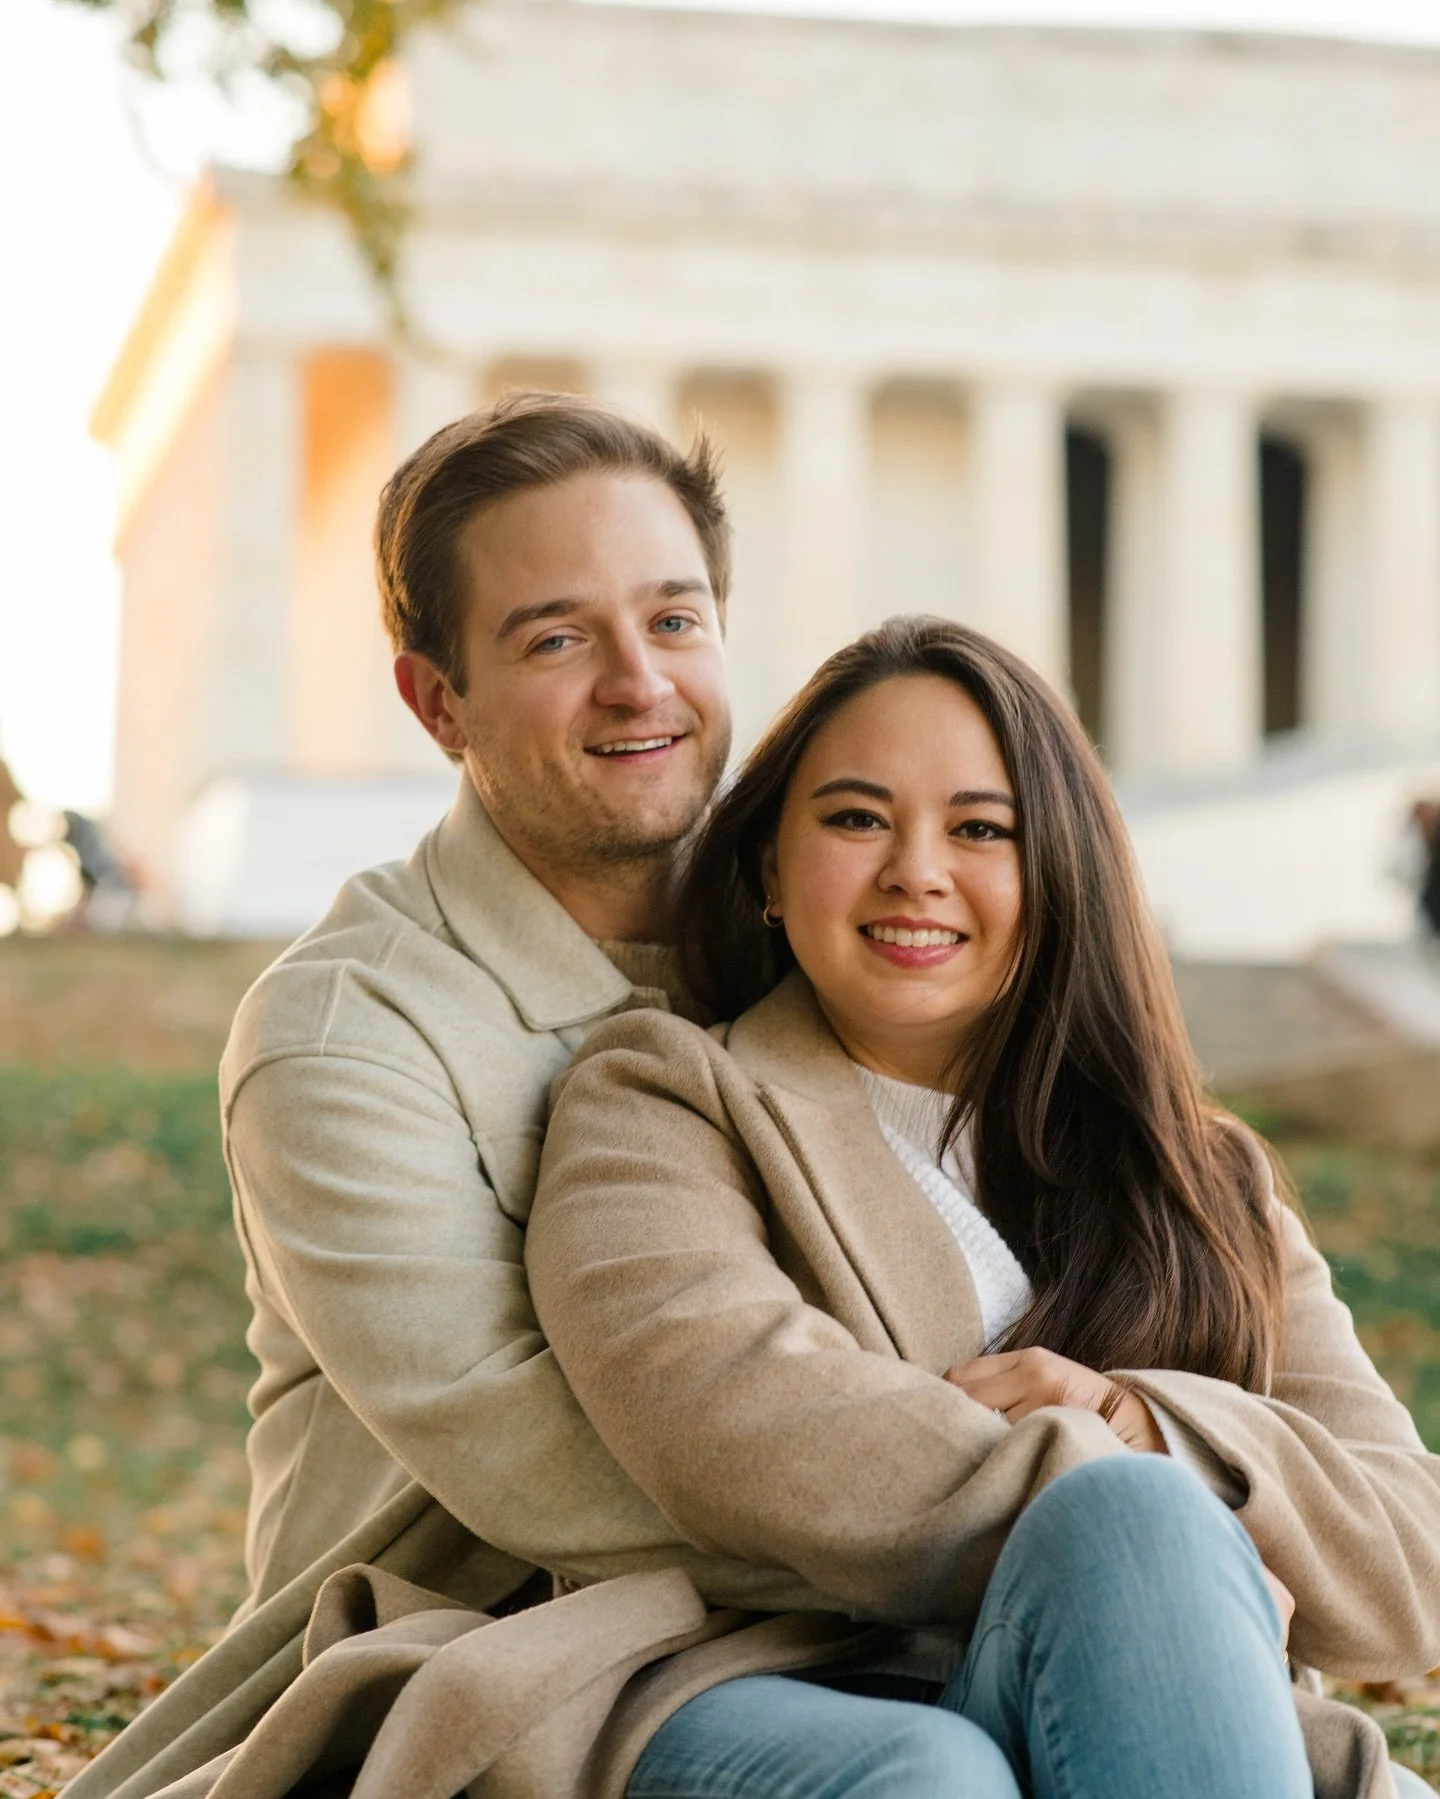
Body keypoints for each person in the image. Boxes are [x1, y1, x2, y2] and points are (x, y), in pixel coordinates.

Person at [64, 393, 857, 1799]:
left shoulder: (841, 956)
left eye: (674, 620)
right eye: (557, 637)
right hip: (474, 1673)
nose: (638, 682)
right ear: (438, 700)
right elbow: (543, 1466)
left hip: (833, 1618)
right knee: (924, 1771)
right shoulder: (341, 1032)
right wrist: (986, 1534)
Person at [527, 615, 1440, 1799]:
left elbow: (1411, 1554)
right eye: (857, 818)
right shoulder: (666, 1098)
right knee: (934, 1770)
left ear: (1055, 870)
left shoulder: (1206, 1181)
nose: (917, 868)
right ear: (765, 866)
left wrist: (1146, 1422)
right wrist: (1148, 1518)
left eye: (981, 829)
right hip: (754, 1685)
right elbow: (742, 1427)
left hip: (1130, 1710)